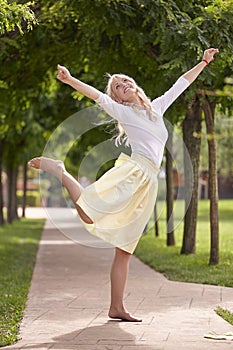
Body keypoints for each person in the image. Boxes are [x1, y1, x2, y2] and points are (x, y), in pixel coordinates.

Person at [28, 48, 219, 322]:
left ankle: (116, 307)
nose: (123, 86)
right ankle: (60, 171)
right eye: (118, 86)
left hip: (149, 183)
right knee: (89, 214)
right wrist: (70, 80)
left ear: (135, 86)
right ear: (117, 97)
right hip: (133, 173)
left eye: (125, 81)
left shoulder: (157, 108)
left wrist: (203, 61)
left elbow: (182, 82)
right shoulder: (123, 111)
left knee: (125, 249)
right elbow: (96, 94)